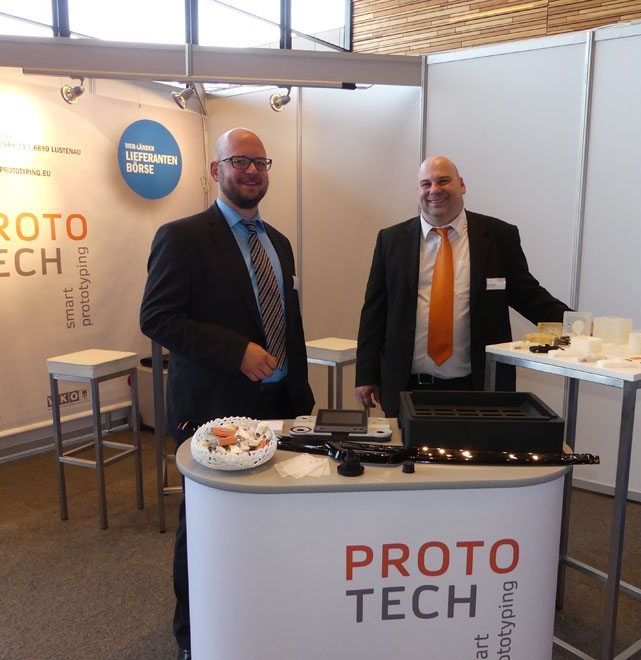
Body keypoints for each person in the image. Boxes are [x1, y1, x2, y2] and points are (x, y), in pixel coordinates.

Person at [140, 128, 314, 659]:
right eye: (239, 161)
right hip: (215, 409)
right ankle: (194, 636)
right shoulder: (182, 236)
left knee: (270, 524)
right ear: (216, 171)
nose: (251, 170)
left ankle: (259, 621)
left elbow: (289, 322)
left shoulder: (278, 242)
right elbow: (157, 317)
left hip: (278, 407)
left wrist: (300, 395)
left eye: (260, 162)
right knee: (206, 531)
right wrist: (236, 350)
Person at [355, 155, 570, 417]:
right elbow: (374, 313)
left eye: (443, 181)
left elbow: (529, 296)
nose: (434, 190)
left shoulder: (499, 236)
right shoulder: (391, 240)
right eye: (426, 184)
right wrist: (366, 374)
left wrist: (578, 326)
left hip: (478, 387)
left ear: (462, 185)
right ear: (418, 191)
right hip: (407, 388)